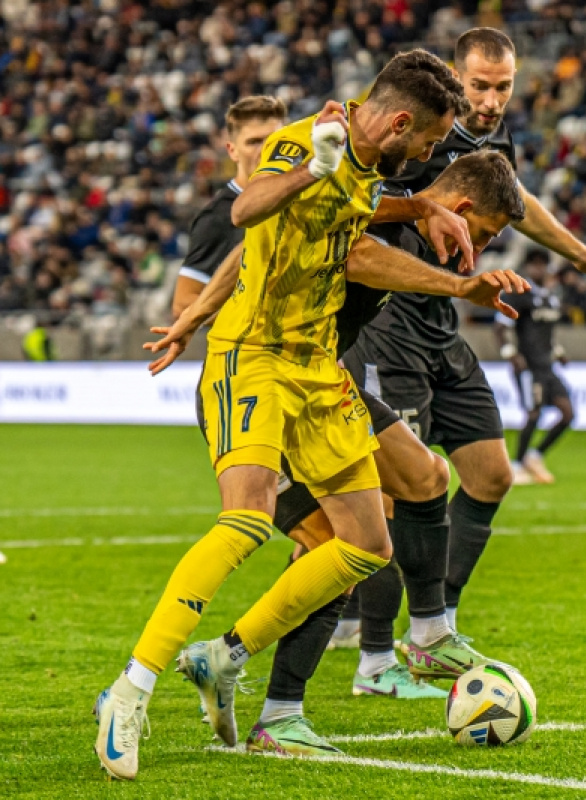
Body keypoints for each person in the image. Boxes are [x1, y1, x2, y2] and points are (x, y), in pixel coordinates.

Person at [93, 49, 473, 781]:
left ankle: (222, 657)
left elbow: (283, 237)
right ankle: (130, 690)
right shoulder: (310, 140)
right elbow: (247, 210)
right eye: (426, 144)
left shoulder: (366, 169)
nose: (428, 155)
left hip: (316, 367)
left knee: (366, 545)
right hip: (255, 356)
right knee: (245, 519)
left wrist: (422, 203)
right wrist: (310, 172)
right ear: (398, 122)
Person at [179, 150, 529, 756]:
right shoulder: (386, 216)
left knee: (425, 476)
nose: (484, 249)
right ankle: (275, 710)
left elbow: (256, 250)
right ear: (464, 209)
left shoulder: (397, 209)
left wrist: (195, 313)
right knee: (341, 546)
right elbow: (354, 254)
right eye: (487, 235)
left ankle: (427, 633)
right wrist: (459, 285)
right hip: (273, 389)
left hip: (320, 384)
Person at [343, 27, 586, 665]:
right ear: (455, 77)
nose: (492, 99)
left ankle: (436, 624)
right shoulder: (414, 129)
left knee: (492, 473)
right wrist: (420, 208)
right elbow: (351, 204)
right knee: (397, 488)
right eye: (479, 85)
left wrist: (580, 253)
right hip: (388, 325)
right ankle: (374, 654)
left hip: (444, 320)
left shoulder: (490, 137)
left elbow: (516, 200)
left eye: (503, 87)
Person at [172, 96, 287, 316]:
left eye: (275, 139)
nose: (266, 150)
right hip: (251, 348)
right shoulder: (218, 217)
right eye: (254, 142)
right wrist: (261, 319)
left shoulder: (303, 196)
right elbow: (184, 302)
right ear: (232, 150)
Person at [495, 250, 574, 485]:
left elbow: (546, 334)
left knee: (568, 413)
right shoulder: (519, 294)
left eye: (543, 264)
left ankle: (534, 455)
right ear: (528, 267)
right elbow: (500, 327)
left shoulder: (551, 297)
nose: (538, 269)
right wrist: (510, 353)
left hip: (547, 365)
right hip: (528, 366)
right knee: (534, 413)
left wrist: (558, 352)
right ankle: (517, 465)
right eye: (534, 264)